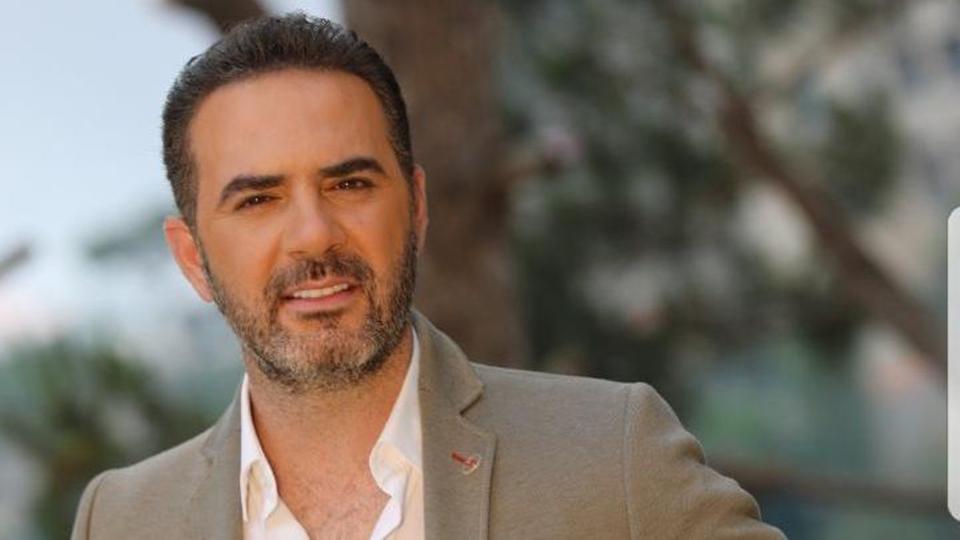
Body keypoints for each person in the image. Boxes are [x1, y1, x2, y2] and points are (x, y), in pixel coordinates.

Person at [71, 13, 784, 540]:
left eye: (349, 184)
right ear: (192, 257)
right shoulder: (123, 519)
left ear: (415, 209)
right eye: (258, 200)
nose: (314, 234)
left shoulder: (611, 455)